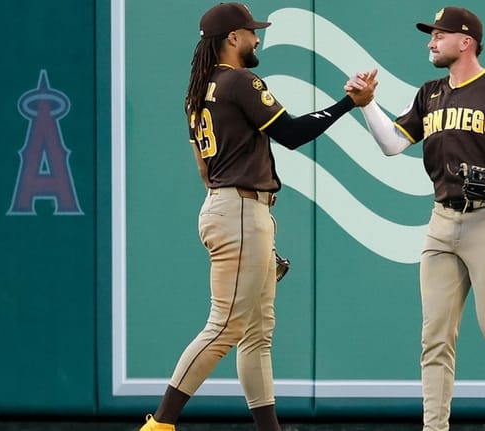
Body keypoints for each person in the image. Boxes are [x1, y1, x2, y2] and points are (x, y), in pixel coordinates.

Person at [139, 3, 376, 431]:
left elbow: (203, 169)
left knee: (257, 332)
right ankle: (160, 424)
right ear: (232, 37)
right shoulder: (239, 80)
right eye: (251, 32)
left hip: (228, 207)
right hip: (241, 212)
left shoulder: (198, 90)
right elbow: (290, 134)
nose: (257, 38)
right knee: (226, 326)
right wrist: (349, 103)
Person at [346, 6, 485, 431]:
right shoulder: (430, 92)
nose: (431, 42)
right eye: (431, 36)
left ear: (465, 41)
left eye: (438, 35)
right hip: (441, 222)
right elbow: (394, 143)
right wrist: (367, 105)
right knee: (434, 339)